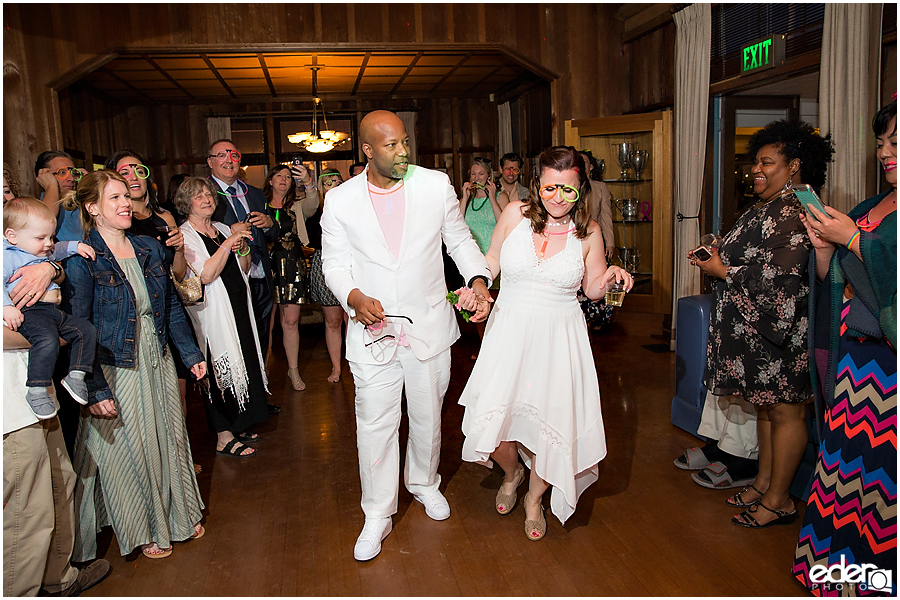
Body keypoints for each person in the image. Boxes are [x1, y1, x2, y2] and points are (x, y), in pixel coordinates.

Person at [321, 109, 492, 561]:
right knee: (375, 425)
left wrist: (477, 280)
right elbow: (334, 265)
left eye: (404, 141)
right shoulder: (340, 201)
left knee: (428, 419)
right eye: (391, 145)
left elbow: (458, 240)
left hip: (429, 327)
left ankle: (424, 483)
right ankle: (377, 512)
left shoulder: (434, 185)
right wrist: (354, 297)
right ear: (367, 150)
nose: (402, 151)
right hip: (372, 332)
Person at [458, 146, 631, 540]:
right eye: (550, 188)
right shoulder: (514, 214)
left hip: (559, 339)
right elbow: (491, 260)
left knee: (550, 424)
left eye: (568, 191)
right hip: (508, 332)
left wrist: (612, 276)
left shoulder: (588, 233)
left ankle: (535, 498)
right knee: (493, 422)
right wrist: (477, 289)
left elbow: (592, 287)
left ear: (580, 189)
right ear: (537, 184)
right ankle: (512, 470)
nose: (558, 198)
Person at [688, 120, 834, 528]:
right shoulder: (768, 205)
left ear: (795, 166)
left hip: (781, 333)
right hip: (757, 334)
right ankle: (764, 483)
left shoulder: (794, 209)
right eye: (755, 162)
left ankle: (778, 500)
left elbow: (782, 280)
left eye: (767, 162)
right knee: (769, 411)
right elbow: (755, 257)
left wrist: (721, 270)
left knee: (786, 413)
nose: (756, 169)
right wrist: (720, 256)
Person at [65, 169, 208, 561]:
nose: (126, 202)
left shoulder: (148, 246)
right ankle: (145, 527)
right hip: (116, 363)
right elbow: (80, 329)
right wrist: (93, 389)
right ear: (92, 208)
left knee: (170, 437)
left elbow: (172, 306)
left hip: (156, 355)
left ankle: (179, 515)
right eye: (114, 198)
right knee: (132, 448)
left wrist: (191, 354)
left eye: (126, 195)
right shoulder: (83, 259)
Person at [792, 101, 896, 594]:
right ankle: (834, 577)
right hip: (854, 364)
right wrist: (825, 247)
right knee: (843, 478)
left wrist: (855, 240)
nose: (885, 153)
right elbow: (831, 284)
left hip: (890, 372)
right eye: (881, 143)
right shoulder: (870, 205)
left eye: (896, 142)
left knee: (879, 487)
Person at [3, 328, 111, 597]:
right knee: (26, 513)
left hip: (36, 394)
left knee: (61, 483)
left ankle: (59, 579)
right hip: (9, 408)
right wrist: (50, 335)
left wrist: (44, 282)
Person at [178, 177, 270, 458]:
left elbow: (241, 268)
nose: (207, 199)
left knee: (241, 360)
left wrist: (241, 251)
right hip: (212, 314)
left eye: (209, 194)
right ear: (186, 203)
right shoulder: (186, 234)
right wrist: (230, 242)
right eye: (199, 196)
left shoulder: (219, 228)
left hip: (237, 306)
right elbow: (205, 274)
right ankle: (223, 435)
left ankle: (237, 421)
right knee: (219, 370)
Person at [206, 140, 281, 416]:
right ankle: (237, 407)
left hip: (260, 276)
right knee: (233, 341)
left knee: (260, 338)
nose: (229, 160)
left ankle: (258, 398)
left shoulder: (254, 193)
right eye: (221, 155)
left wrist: (269, 222)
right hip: (227, 280)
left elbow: (272, 232)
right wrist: (228, 230)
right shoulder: (205, 193)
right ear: (210, 161)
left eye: (234, 155)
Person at [3, 197, 96, 418]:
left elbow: (60, 248)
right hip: (31, 311)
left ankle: (76, 375)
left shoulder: (39, 250)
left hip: (53, 312)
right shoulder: (9, 256)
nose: (48, 243)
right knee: (47, 340)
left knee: (86, 330)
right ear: (12, 236)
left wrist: (77, 246)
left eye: (50, 236)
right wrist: (6, 306)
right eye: (41, 237)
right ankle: (36, 389)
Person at [262, 163, 317, 390]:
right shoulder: (259, 204)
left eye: (287, 176)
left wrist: (308, 181)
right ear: (270, 180)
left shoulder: (298, 204)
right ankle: (262, 370)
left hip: (293, 263)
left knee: (291, 321)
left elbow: (314, 204)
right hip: (266, 264)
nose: (283, 179)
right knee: (266, 322)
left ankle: (293, 370)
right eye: (279, 176)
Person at [309, 167, 349, 383]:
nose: (334, 186)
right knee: (332, 320)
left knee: (352, 319)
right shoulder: (315, 209)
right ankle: (336, 367)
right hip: (324, 262)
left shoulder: (353, 207)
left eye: (338, 182)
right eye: (328, 182)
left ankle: (355, 363)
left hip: (352, 262)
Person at [33, 150, 84, 242]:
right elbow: (43, 224)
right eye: (62, 172)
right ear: (45, 176)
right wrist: (51, 186)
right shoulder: (35, 209)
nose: (71, 179)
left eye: (73, 173)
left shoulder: (80, 203)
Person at [460, 157, 503, 253]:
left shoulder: (500, 197)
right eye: (473, 174)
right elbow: (457, 225)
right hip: (470, 254)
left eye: (481, 174)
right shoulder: (465, 199)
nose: (476, 178)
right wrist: (465, 199)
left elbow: (504, 225)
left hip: (493, 254)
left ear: (488, 176)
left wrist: (492, 199)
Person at [580, 150, 615, 261]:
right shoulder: (568, 187)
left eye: (584, 162)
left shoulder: (600, 187)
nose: (580, 164)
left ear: (591, 166)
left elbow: (606, 217)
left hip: (593, 238)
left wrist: (609, 242)